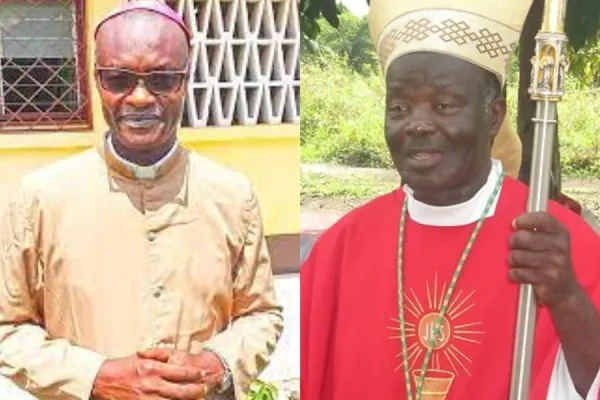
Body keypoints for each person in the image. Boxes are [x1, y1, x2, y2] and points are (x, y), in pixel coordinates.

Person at [301, 0, 600, 399]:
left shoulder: (556, 242)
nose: (418, 124)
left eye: (443, 105)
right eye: (399, 107)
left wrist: (565, 297)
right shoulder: (341, 248)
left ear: (492, 116)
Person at [0, 1, 283, 399]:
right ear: (97, 81)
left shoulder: (232, 195)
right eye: (118, 79)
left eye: (162, 79)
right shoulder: (41, 197)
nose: (138, 98)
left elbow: (260, 314)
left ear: (184, 81)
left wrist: (218, 363)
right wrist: (95, 376)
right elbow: (8, 328)